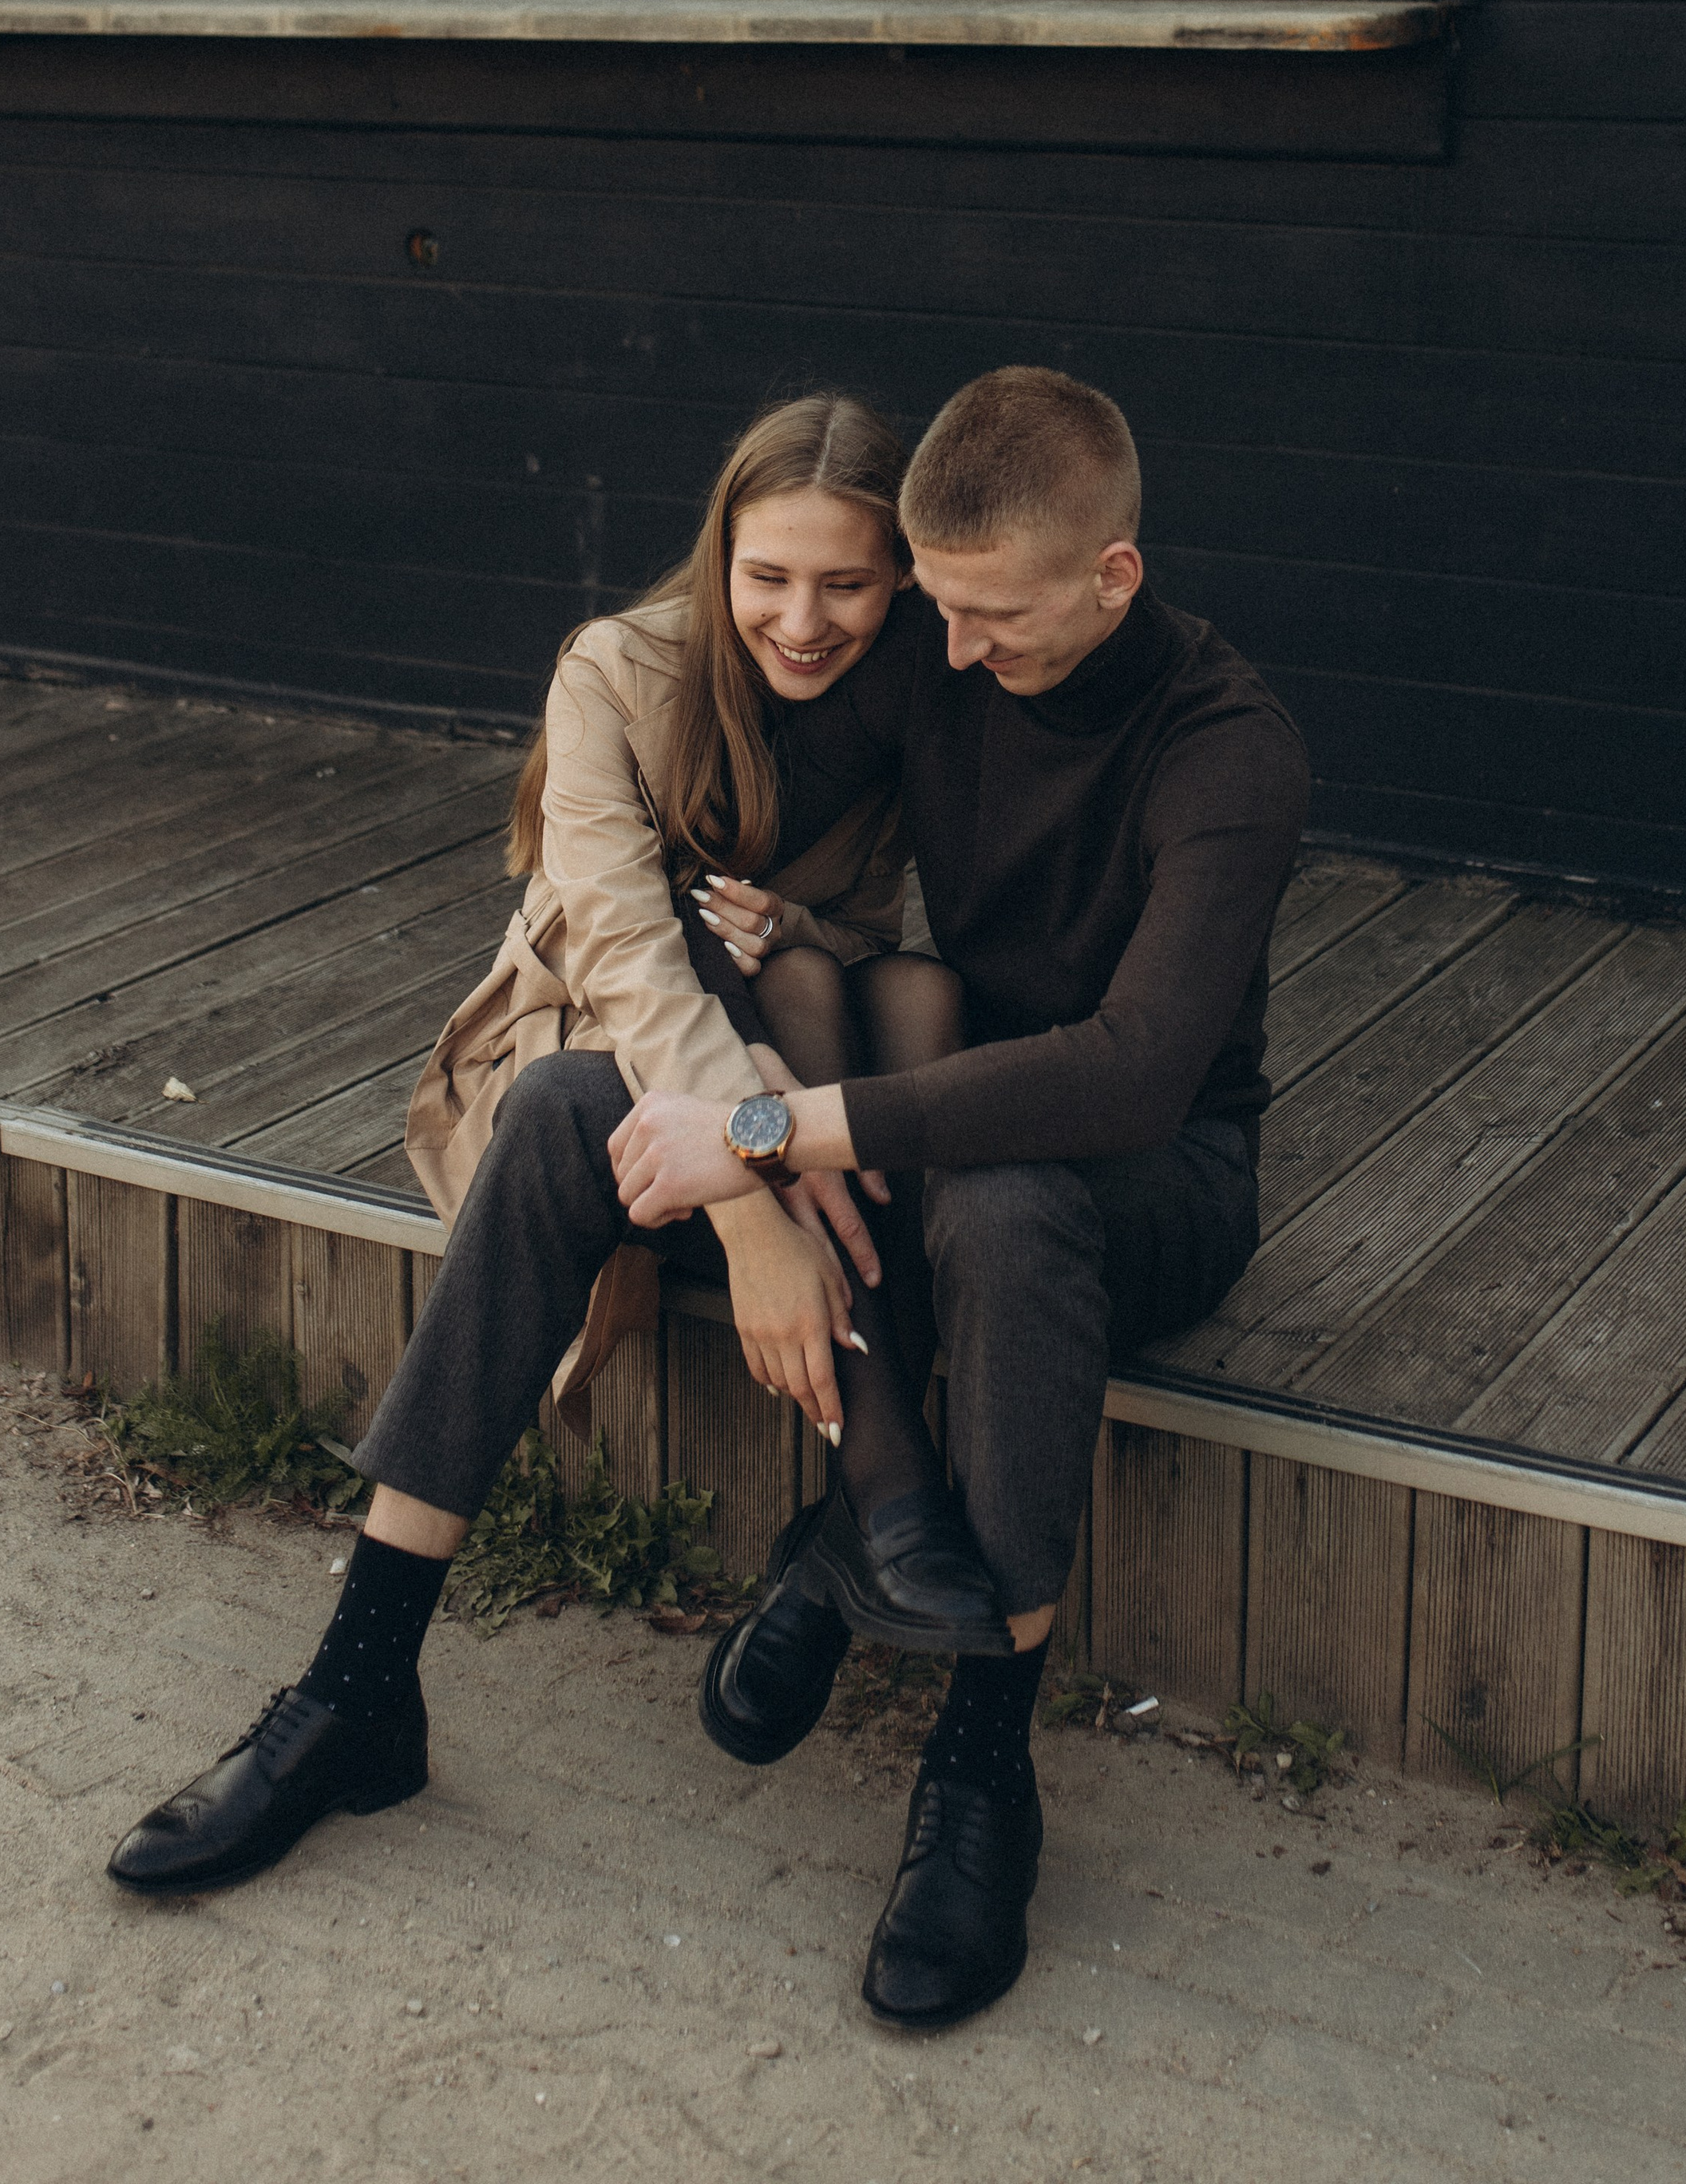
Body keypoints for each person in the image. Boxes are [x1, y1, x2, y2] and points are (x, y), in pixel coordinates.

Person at [106, 390, 1006, 1913]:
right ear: (719, 555)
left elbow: (868, 939)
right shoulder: (620, 669)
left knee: (864, 990)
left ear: (901, 580)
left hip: (788, 1086)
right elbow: (626, 952)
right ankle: (359, 1686)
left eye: (847, 583)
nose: (803, 621)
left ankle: (868, 1521)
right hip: (612, 1055)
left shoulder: (910, 689)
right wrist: (752, 1217)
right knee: (560, 1105)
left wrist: (795, 937)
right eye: (769, 576)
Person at [611, 368, 1310, 2028]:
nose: (956, 651)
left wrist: (774, 1129)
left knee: (1000, 1210)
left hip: (1158, 1177)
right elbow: (705, 807)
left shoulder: (1229, 748)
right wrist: (731, 922)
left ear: (1112, 575)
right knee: (943, 1149)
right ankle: (868, 1520)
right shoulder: (941, 652)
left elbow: (1130, 1073)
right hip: (959, 1123)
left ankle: (980, 1758)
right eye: (935, 606)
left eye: (995, 615)